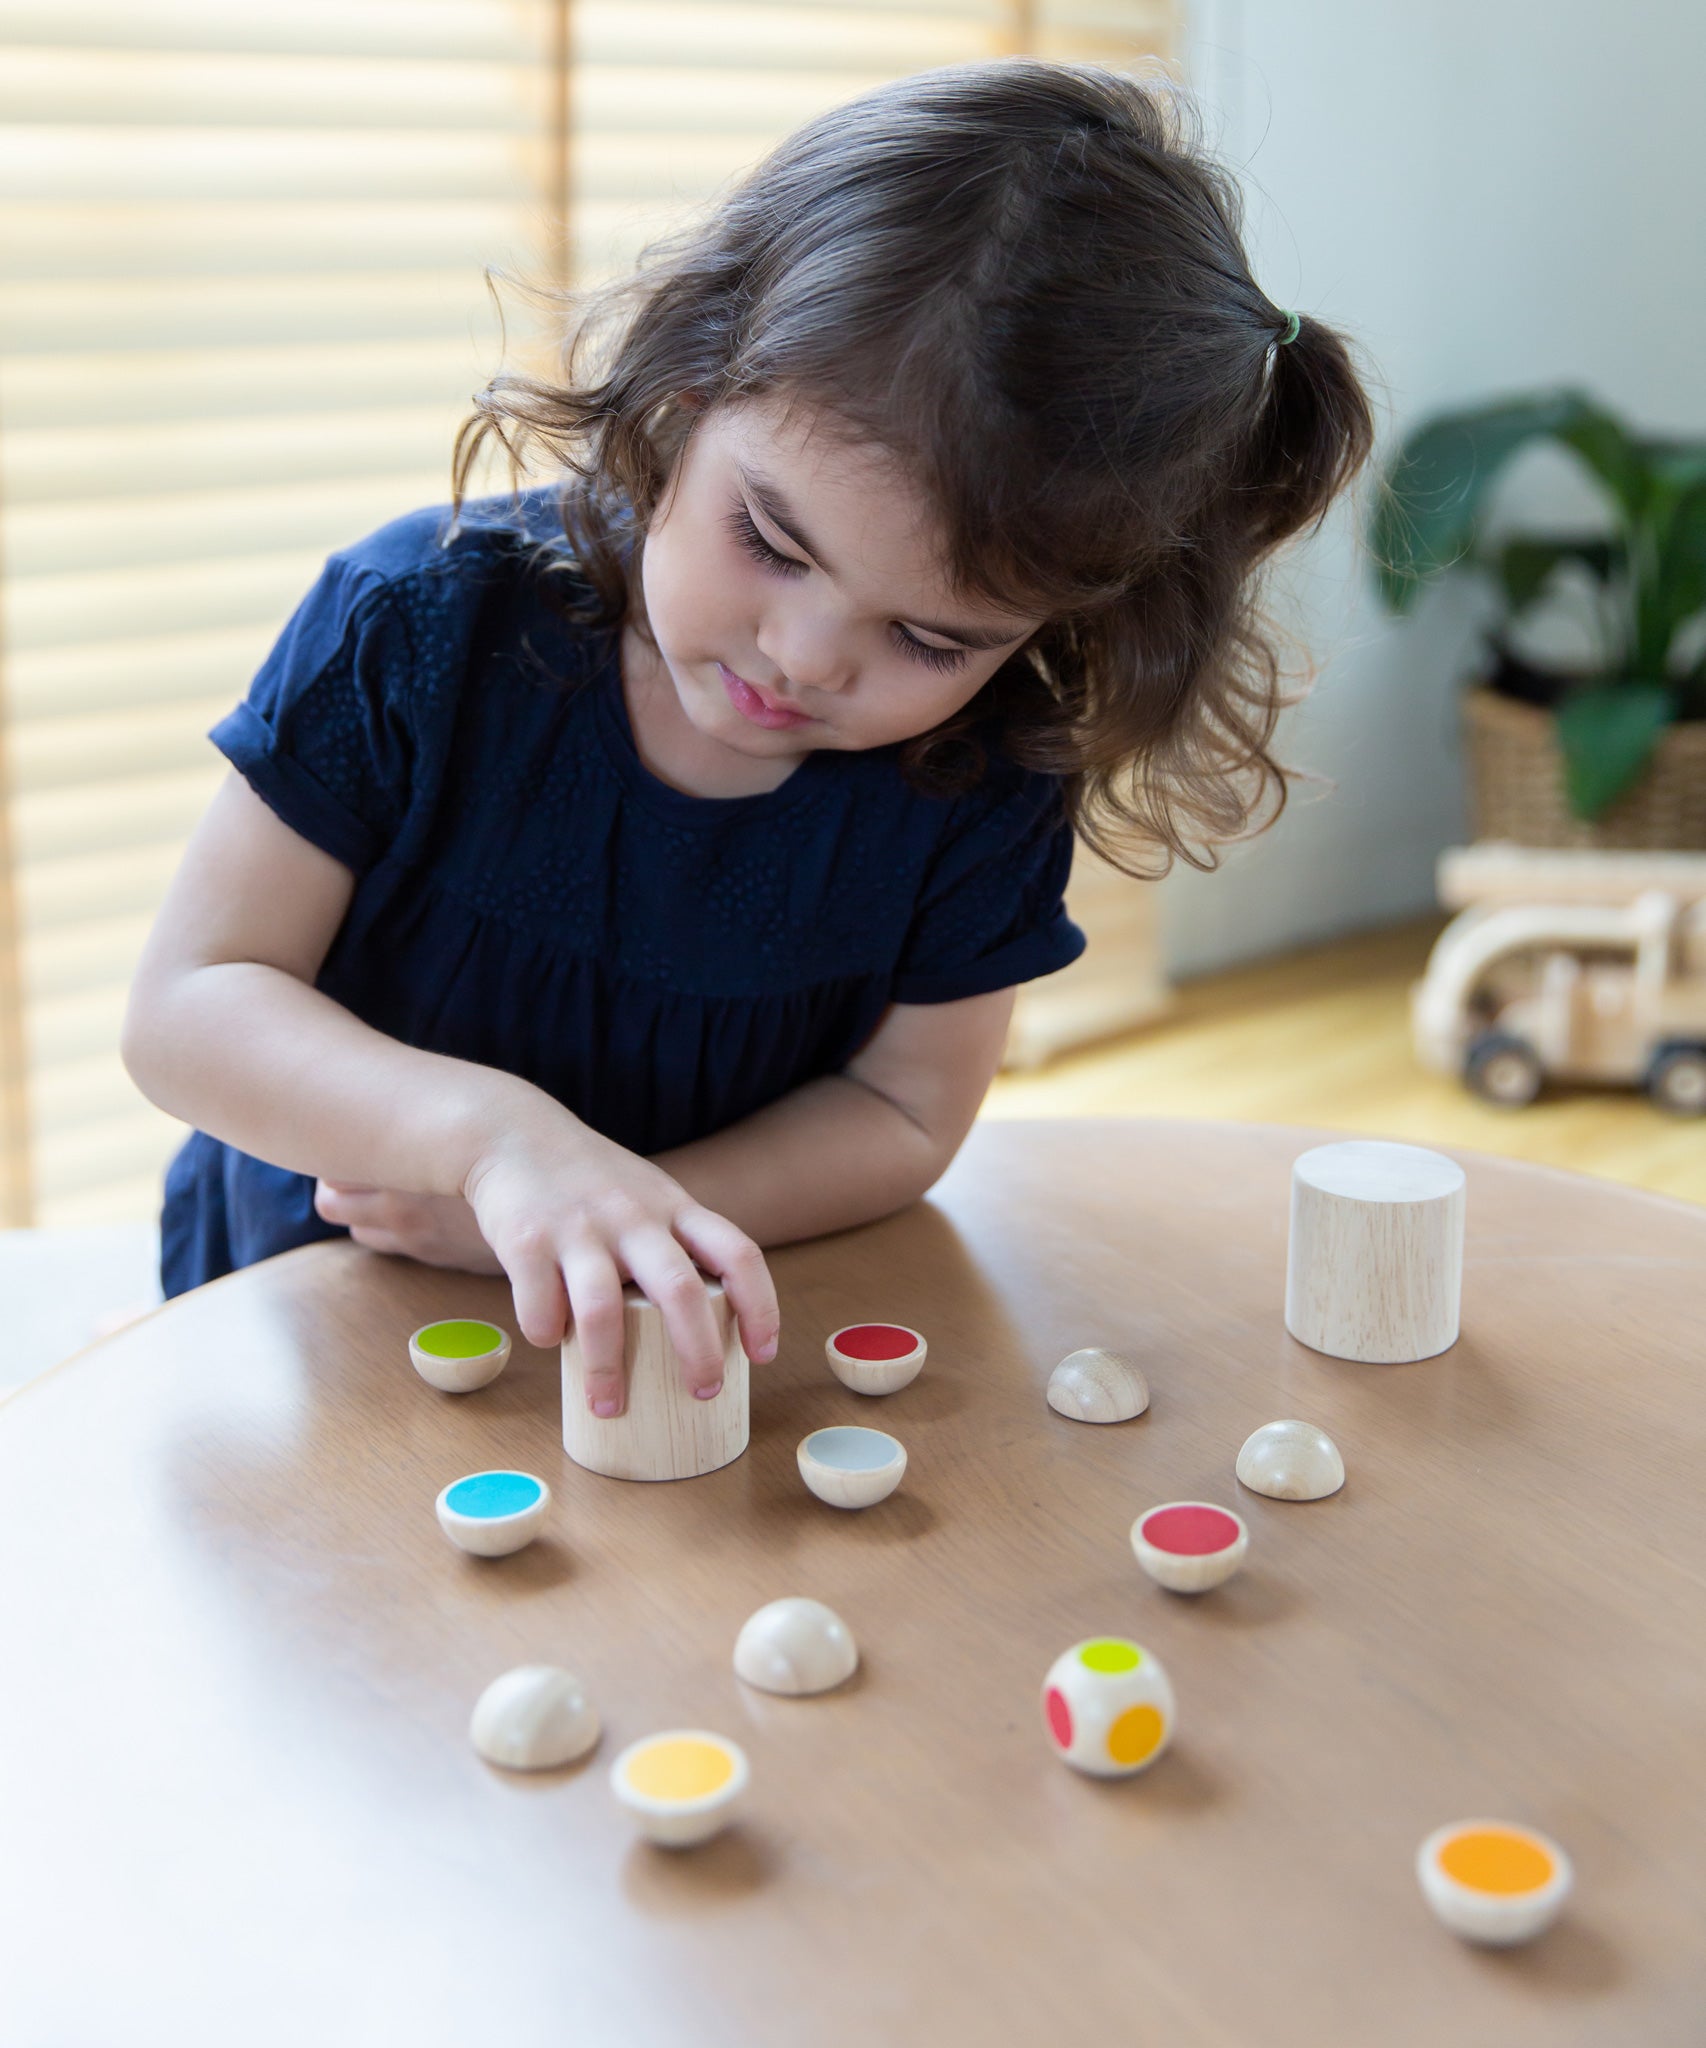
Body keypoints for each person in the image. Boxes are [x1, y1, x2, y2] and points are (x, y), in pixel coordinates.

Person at [122, 60, 1376, 1417]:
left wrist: (630, 1218)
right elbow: (190, 1011)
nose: (804, 656)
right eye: (770, 542)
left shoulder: (986, 778)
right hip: (326, 1310)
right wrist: (492, 1148)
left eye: (931, 640)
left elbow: (902, 1117)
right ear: (679, 399)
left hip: (688, 1345)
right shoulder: (422, 627)